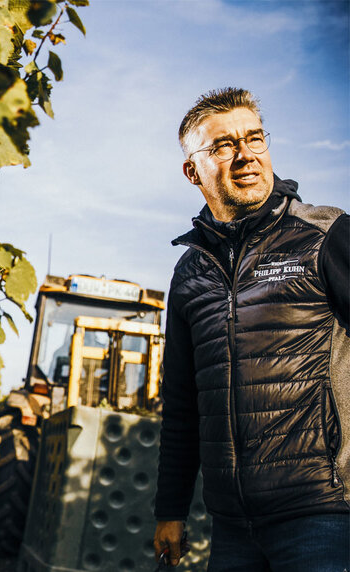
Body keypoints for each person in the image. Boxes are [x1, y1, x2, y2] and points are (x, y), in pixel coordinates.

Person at [153, 87, 349, 570]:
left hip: (324, 514)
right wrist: (171, 510)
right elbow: (182, 403)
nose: (245, 155)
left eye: (254, 138)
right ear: (192, 171)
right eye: (223, 145)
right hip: (233, 527)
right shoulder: (189, 274)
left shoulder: (326, 235)